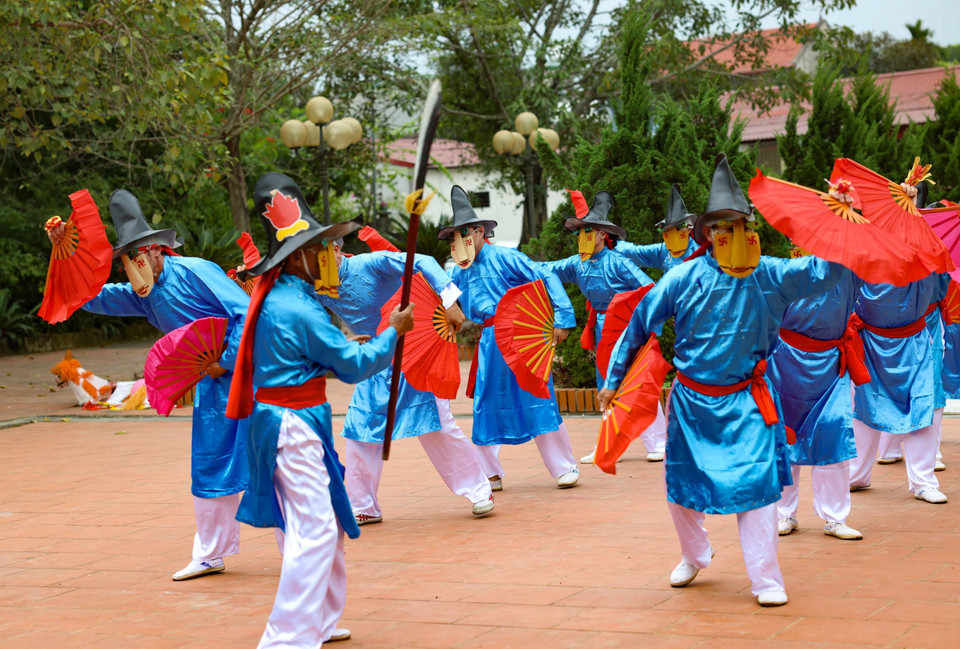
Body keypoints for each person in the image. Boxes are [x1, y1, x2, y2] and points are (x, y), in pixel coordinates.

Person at [599, 155, 846, 607]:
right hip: (692, 404)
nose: (732, 232)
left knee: (758, 491)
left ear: (751, 228)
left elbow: (824, 272)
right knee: (682, 490)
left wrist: (838, 223)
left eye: (740, 223)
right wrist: (614, 378)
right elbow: (640, 322)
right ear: (709, 233)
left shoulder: (770, 273)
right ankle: (695, 555)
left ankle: (766, 578)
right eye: (722, 226)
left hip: (749, 404)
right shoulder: (683, 277)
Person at [226, 172, 414, 647]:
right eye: (323, 248)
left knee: (322, 524)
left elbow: (315, 358)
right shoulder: (300, 308)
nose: (331, 255)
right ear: (301, 256)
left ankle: (320, 623)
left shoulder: (283, 297)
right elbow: (352, 366)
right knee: (314, 530)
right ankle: (285, 637)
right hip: (291, 426)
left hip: (289, 421)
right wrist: (394, 332)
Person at [48, 189, 250, 582]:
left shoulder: (196, 271)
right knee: (210, 464)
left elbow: (246, 314)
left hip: (252, 374)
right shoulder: (145, 295)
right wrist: (67, 255)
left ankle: (311, 539)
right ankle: (210, 554)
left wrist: (223, 360)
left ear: (158, 250)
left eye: (137, 256)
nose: (131, 267)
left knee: (279, 459)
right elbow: (89, 298)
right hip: (211, 386)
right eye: (125, 261)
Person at [317, 238, 495, 524]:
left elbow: (421, 260)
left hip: (414, 351)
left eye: (318, 254)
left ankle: (479, 490)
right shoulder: (315, 286)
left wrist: (450, 300)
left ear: (335, 250)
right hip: (375, 359)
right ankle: (364, 505)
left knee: (437, 425)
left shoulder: (370, 263)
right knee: (360, 431)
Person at [441, 185, 580, 491]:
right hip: (490, 342)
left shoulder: (506, 257)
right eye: (455, 234)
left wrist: (562, 317)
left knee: (539, 394)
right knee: (485, 402)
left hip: (522, 337)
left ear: (479, 232)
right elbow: (448, 300)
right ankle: (490, 472)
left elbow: (545, 277)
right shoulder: (460, 271)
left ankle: (563, 466)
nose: (459, 239)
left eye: (464, 232)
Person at [539, 189, 665, 464]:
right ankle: (610, 442)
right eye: (580, 233)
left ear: (601, 235)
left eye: (588, 232)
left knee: (636, 379)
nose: (583, 238)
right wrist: (517, 265)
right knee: (605, 383)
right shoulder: (577, 264)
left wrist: (642, 321)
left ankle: (659, 441)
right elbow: (545, 269)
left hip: (627, 327)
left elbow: (650, 290)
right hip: (600, 328)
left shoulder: (618, 262)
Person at [848, 182, 949, 504]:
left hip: (915, 342)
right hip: (870, 344)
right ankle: (856, 474)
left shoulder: (929, 251)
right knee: (862, 409)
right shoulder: (861, 252)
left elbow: (940, 289)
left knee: (924, 406)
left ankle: (923, 481)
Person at [766, 243, 866, 541]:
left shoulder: (849, 271)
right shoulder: (784, 272)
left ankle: (835, 517)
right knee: (784, 437)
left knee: (833, 436)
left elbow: (875, 262)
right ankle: (784, 513)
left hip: (831, 365)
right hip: (786, 362)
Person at [615, 185, 699, 272]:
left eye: (678, 229)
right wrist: (614, 243)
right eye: (668, 232)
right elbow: (636, 253)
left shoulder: (702, 253)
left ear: (688, 229)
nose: (673, 237)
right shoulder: (664, 251)